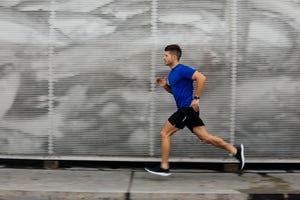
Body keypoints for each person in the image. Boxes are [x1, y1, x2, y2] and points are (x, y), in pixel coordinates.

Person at [145, 44, 245, 176]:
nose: (163, 58)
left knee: (165, 133)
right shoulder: (172, 74)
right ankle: (235, 150)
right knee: (205, 138)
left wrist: (196, 98)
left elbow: (201, 78)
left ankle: (164, 166)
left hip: (187, 109)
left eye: (166, 55)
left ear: (174, 57)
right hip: (187, 110)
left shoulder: (182, 69)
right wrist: (165, 86)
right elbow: (176, 93)